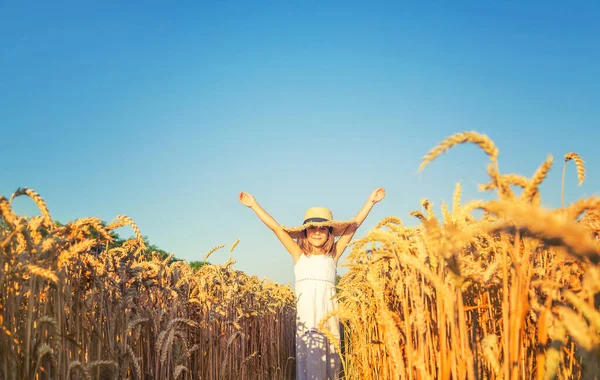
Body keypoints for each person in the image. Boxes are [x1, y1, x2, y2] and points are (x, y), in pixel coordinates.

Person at [238, 188, 386, 380]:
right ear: (305, 232)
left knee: (330, 362)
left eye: (323, 228)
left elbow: (353, 227)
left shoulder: (333, 256)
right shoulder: (298, 255)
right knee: (308, 361)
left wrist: (371, 202)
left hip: (329, 319)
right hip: (307, 321)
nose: (317, 232)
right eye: (313, 228)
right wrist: (254, 205)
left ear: (330, 232)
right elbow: (276, 228)